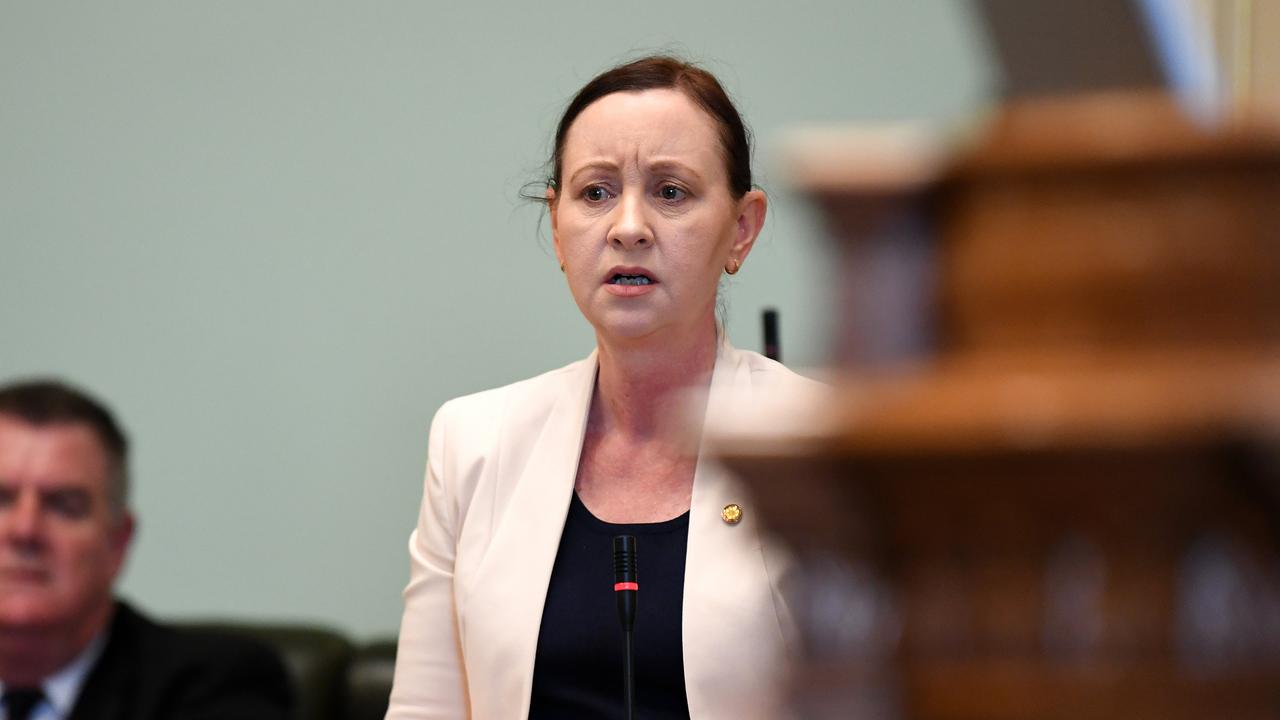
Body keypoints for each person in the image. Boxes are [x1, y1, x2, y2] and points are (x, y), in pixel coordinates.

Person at [386, 55, 822, 720]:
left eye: (671, 192)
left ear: (742, 227)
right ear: (557, 226)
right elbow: (426, 709)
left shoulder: (825, 444)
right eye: (595, 193)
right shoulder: (472, 442)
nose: (628, 227)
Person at [0, 379, 293, 720]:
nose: (24, 530)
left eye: (64, 506)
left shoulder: (217, 684)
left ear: (118, 542)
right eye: (1, 500)